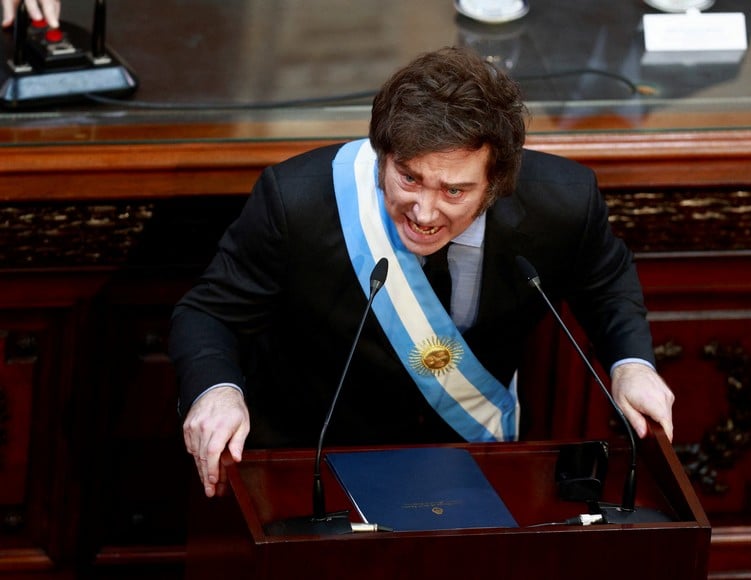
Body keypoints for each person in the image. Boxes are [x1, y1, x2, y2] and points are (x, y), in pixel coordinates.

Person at [170, 46, 675, 499]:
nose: (424, 212)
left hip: (472, 464)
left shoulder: (564, 203)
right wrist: (217, 393)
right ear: (382, 154)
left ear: (495, 182)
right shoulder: (295, 201)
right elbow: (206, 314)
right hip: (316, 462)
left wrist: (632, 364)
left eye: (453, 191)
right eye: (407, 177)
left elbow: (606, 284)